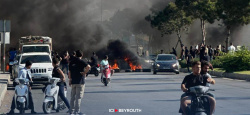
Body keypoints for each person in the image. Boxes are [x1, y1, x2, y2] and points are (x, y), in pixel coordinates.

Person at [68, 50, 90, 114]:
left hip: (73, 81)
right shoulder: (81, 61)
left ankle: (71, 111)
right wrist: (84, 73)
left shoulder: (71, 62)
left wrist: (70, 79)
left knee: (72, 97)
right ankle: (77, 111)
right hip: (80, 81)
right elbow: (88, 67)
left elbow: (69, 72)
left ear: (75, 55)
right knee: (78, 97)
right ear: (82, 55)